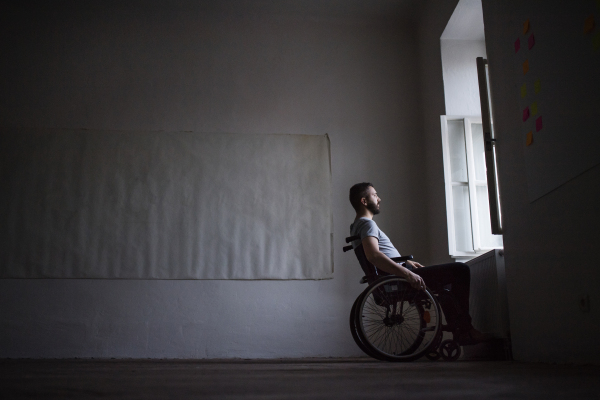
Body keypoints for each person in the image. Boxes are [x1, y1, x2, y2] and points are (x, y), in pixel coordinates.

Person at [349, 182, 487, 344]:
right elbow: (373, 255)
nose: (379, 199)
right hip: (399, 278)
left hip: (395, 274)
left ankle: (461, 329)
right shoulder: (367, 224)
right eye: (375, 195)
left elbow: (378, 254)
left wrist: (407, 262)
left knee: (446, 285)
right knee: (460, 270)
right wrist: (407, 273)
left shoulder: (356, 226)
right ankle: (465, 330)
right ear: (364, 201)